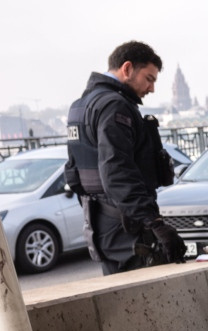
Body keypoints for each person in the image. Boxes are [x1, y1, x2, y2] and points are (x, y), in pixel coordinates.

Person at [65, 41, 184, 275]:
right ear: (127, 69)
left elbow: (74, 170)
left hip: (101, 226)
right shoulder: (115, 107)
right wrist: (155, 223)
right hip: (126, 231)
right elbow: (117, 172)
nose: (151, 89)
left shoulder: (79, 107)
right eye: (149, 79)